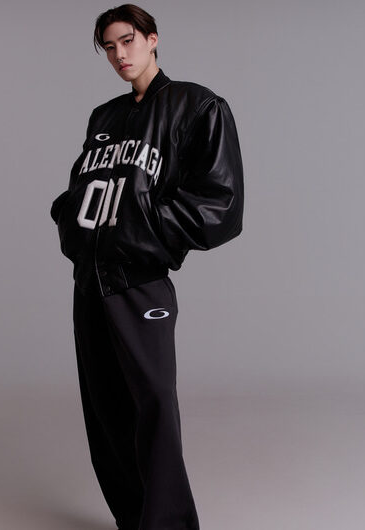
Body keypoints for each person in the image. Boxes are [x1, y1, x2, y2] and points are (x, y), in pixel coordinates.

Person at [50, 4, 244, 530]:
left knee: (153, 406)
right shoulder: (104, 117)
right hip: (89, 283)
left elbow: (221, 205)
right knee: (106, 410)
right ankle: (135, 520)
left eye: (128, 40)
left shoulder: (196, 105)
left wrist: (141, 232)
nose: (120, 54)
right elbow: (83, 189)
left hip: (139, 282)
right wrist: (71, 221)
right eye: (109, 46)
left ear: (153, 38)